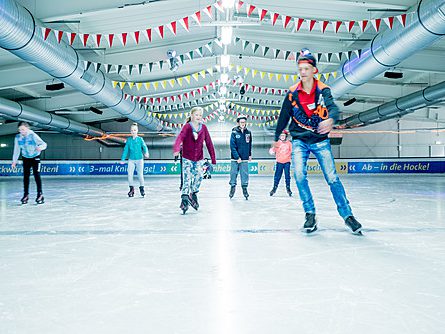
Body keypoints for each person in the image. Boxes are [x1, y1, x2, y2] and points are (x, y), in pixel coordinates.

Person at [274, 48, 362, 234]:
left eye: (306, 68)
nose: (303, 72)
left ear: (314, 70)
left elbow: (333, 108)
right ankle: (310, 213)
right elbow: (283, 118)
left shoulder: (323, 90)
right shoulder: (292, 93)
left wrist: (331, 119)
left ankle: (348, 215)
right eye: (301, 69)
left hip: (320, 141)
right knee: (299, 176)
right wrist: (276, 140)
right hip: (299, 140)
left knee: (332, 178)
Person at [173, 107, 216, 214]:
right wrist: (176, 149)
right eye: (196, 115)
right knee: (187, 178)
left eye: (200, 115)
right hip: (187, 157)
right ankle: (184, 199)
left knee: (199, 176)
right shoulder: (187, 127)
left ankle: (193, 194)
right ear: (192, 116)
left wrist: (213, 158)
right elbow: (180, 138)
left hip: (199, 159)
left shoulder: (204, 128)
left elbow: (209, 143)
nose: (198, 117)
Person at [12, 121, 47, 204]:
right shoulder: (17, 137)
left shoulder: (33, 135)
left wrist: (40, 148)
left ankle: (40, 194)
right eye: (20, 130)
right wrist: (14, 161)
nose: (21, 131)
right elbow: (16, 150)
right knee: (26, 177)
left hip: (35, 157)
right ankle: (25, 195)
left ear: (27, 128)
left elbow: (44, 144)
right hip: (26, 158)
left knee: (36, 175)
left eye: (23, 129)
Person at [120, 123, 149, 197]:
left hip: (139, 159)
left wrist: (146, 152)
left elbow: (144, 146)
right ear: (130, 131)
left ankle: (142, 189)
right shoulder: (129, 140)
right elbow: (126, 150)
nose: (133, 131)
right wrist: (123, 159)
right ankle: (131, 189)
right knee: (129, 174)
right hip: (131, 160)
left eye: (135, 130)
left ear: (137, 131)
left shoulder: (140, 139)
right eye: (132, 130)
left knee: (140, 175)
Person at [229, 115, 252, 200]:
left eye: (244, 122)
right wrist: (237, 157)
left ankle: (245, 189)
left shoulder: (248, 133)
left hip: (245, 157)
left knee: (245, 174)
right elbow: (232, 146)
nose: (243, 124)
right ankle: (232, 187)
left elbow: (249, 144)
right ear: (238, 123)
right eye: (241, 122)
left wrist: (249, 154)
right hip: (235, 158)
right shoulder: (234, 132)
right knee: (233, 173)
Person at [269, 130, 292, 197]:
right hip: (279, 162)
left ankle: (288, 188)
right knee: (277, 176)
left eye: (283, 136)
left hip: (287, 162)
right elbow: (272, 150)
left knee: (287, 176)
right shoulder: (277, 143)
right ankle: (274, 188)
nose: (282, 137)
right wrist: (272, 151)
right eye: (281, 136)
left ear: (286, 136)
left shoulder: (289, 143)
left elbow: (292, 151)